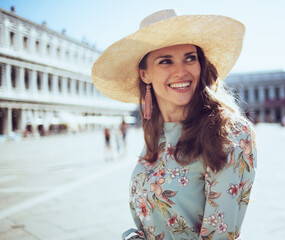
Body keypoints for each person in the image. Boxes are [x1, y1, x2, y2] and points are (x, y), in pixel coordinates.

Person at [92, 9, 257, 240]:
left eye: (190, 58)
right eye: (165, 61)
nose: (181, 71)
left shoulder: (229, 133)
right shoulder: (157, 134)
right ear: (144, 74)